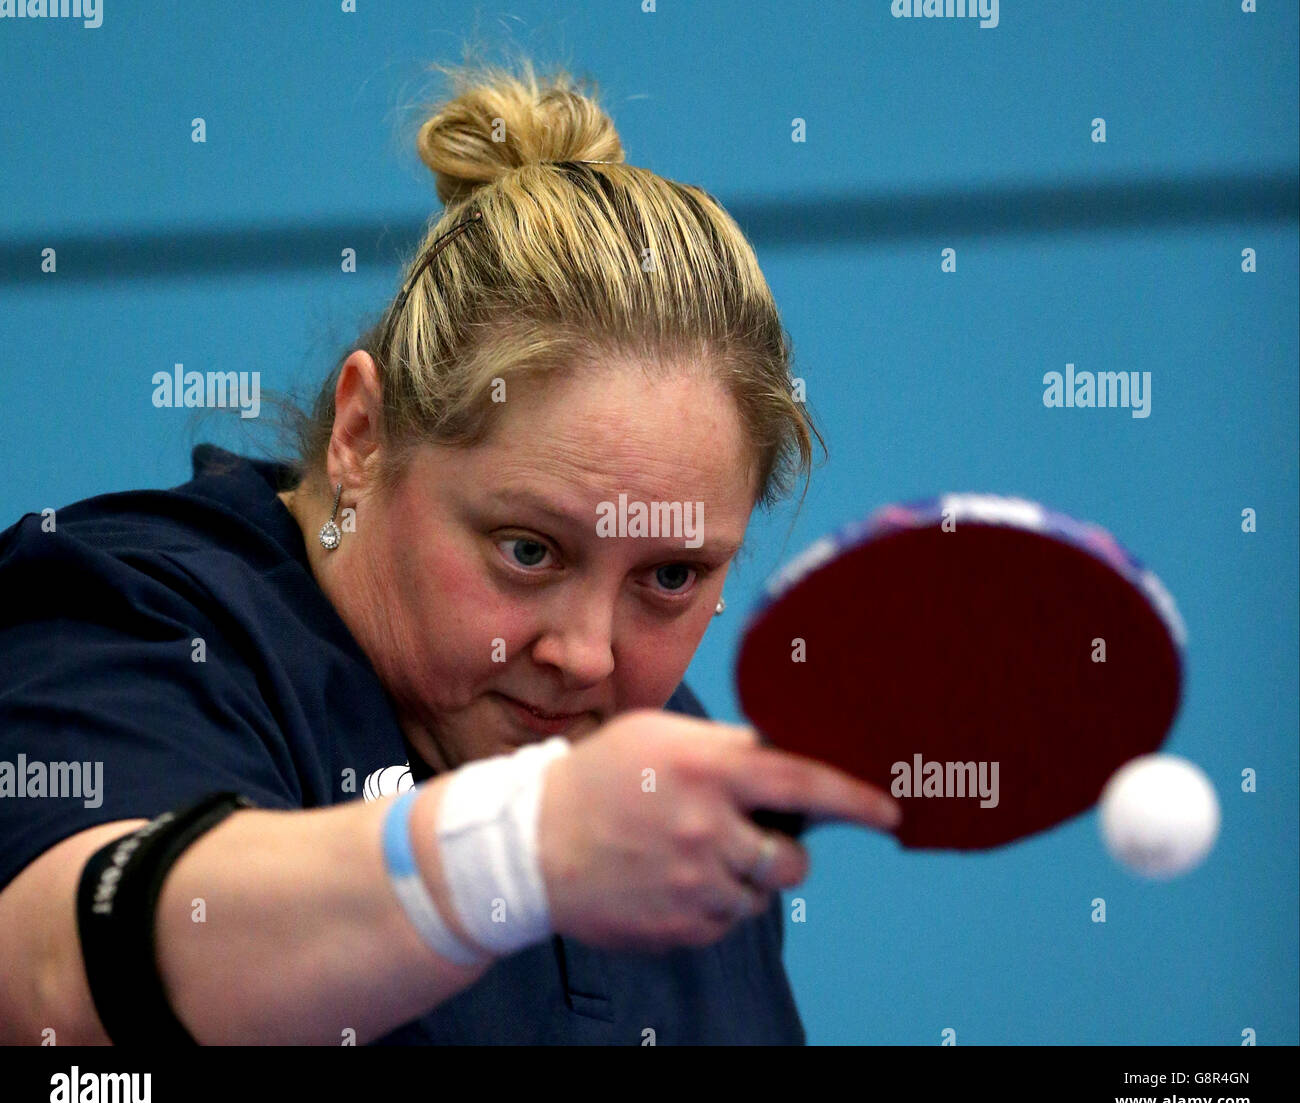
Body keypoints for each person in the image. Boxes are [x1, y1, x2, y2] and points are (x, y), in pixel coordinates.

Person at [0, 58, 900, 1046]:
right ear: (361, 433)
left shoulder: (667, 799)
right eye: (528, 549)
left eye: (671, 576)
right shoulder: (130, 616)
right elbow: (51, 979)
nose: (588, 653)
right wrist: (517, 851)